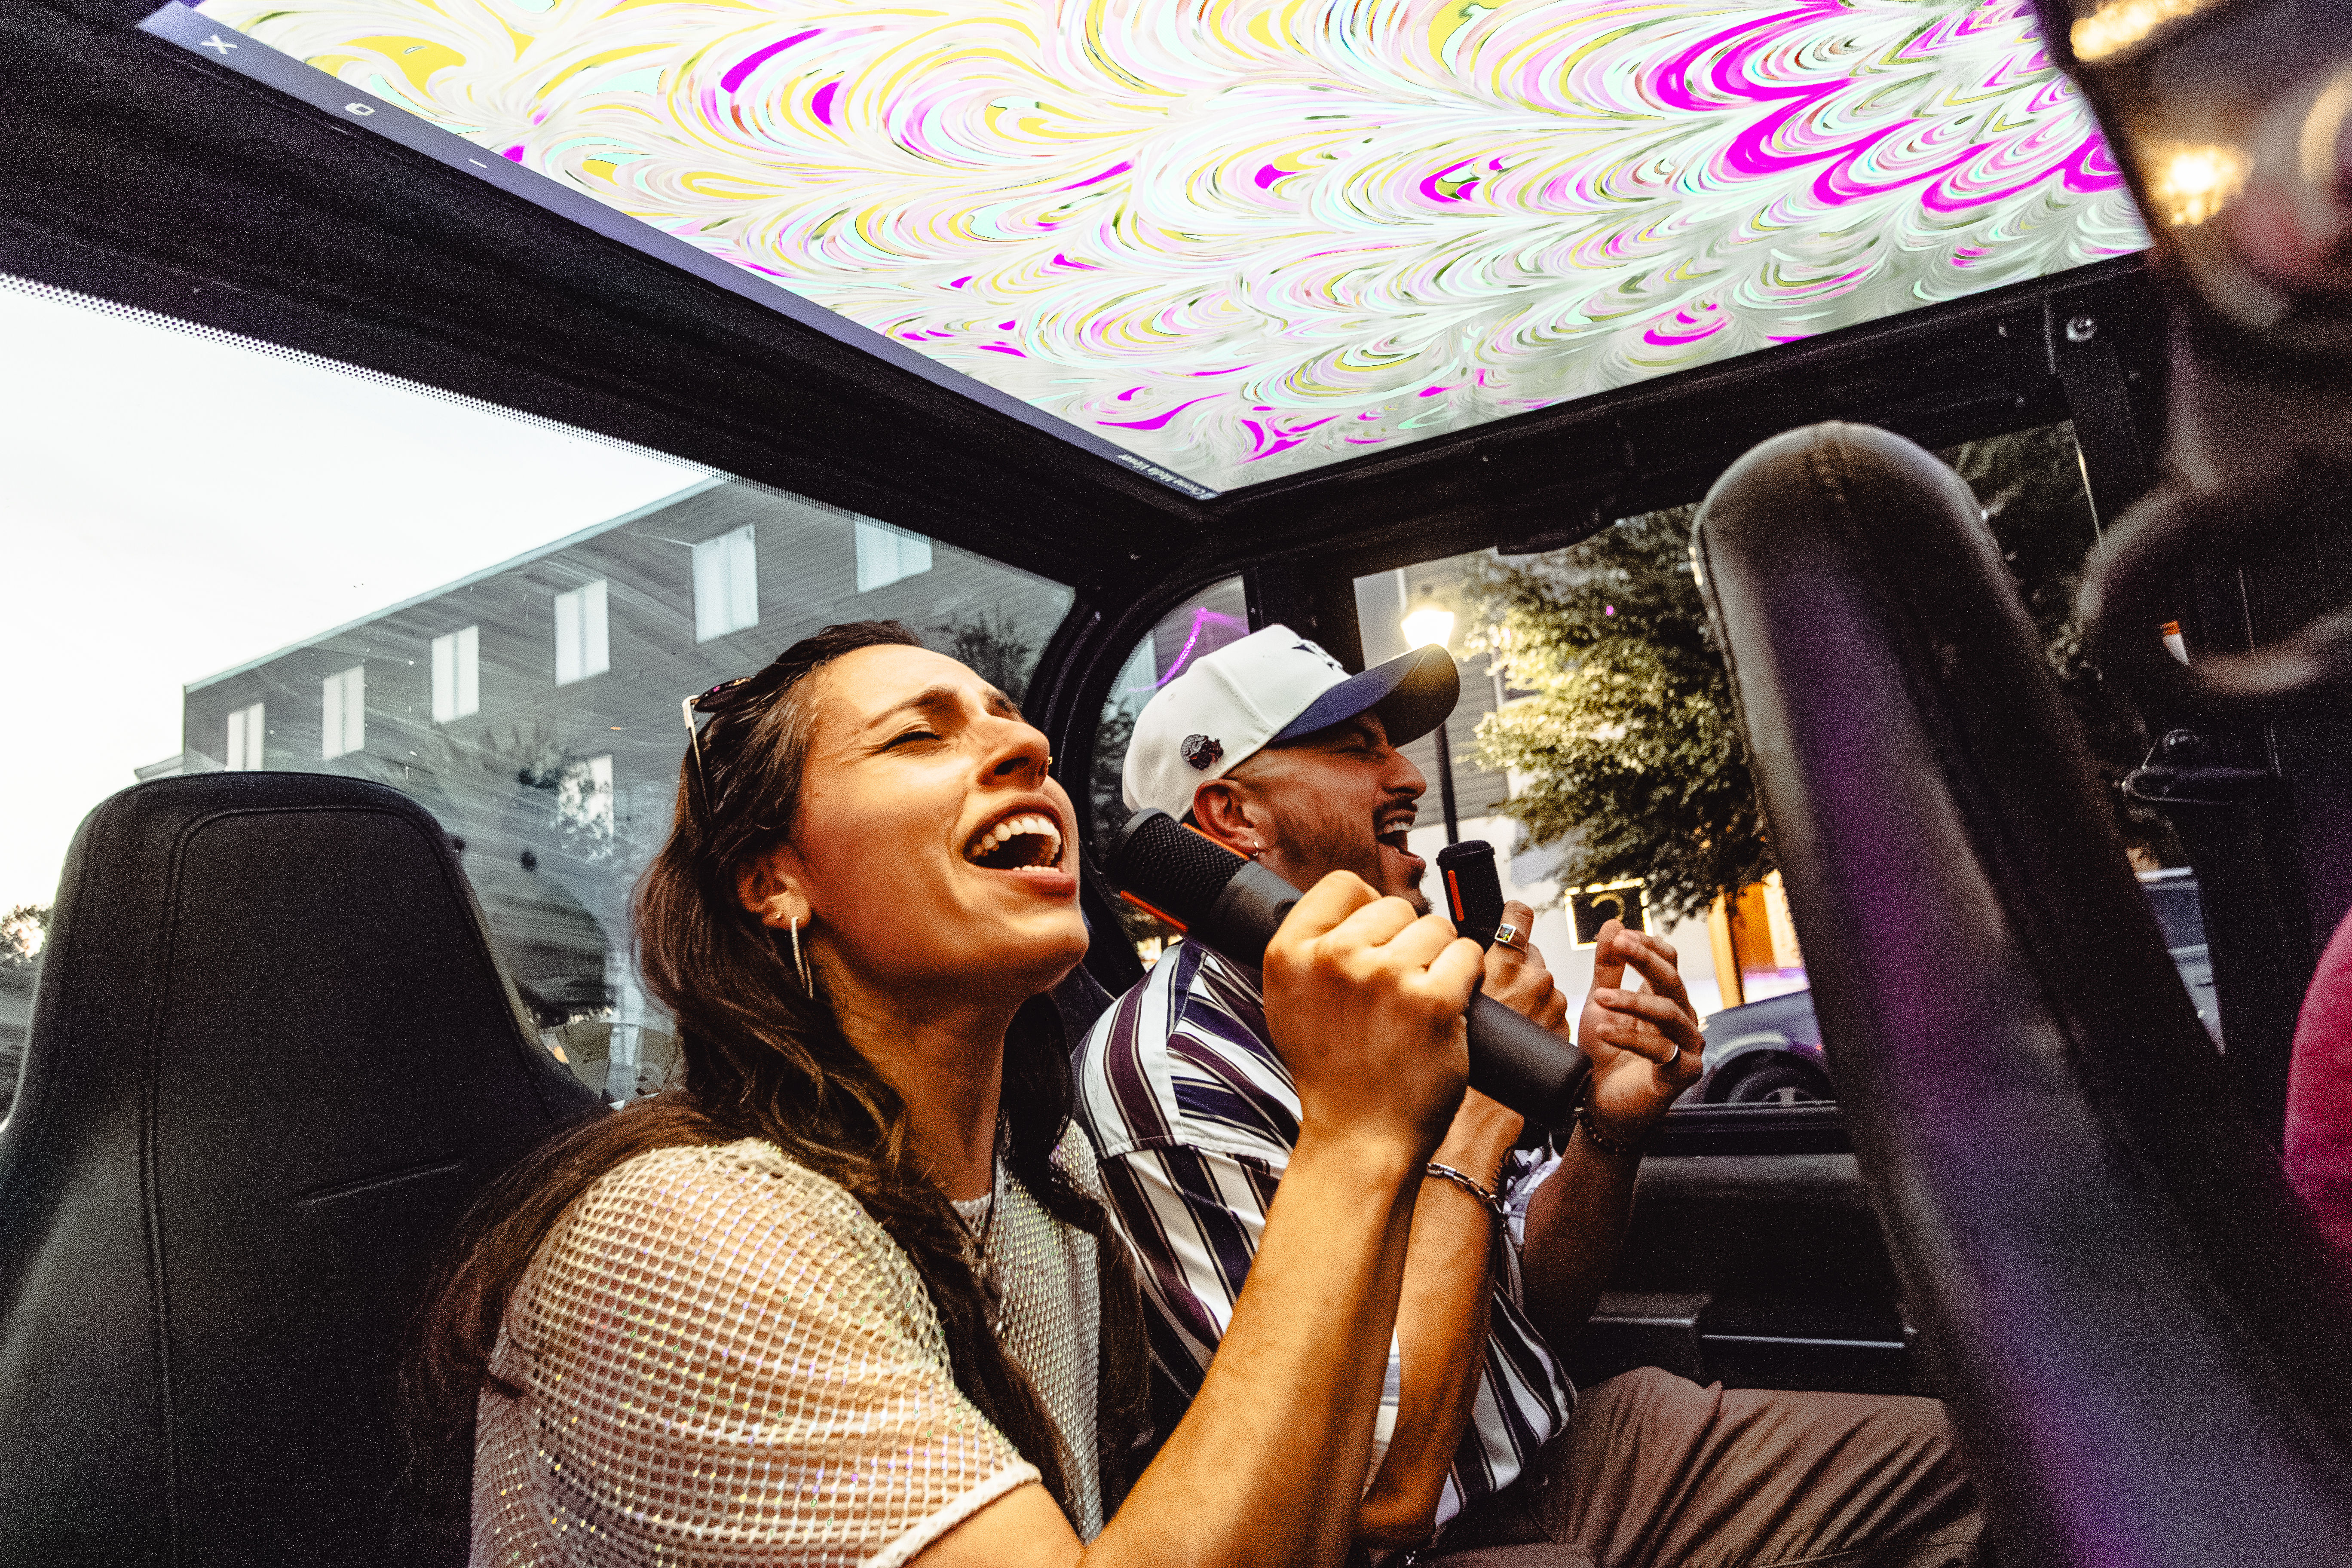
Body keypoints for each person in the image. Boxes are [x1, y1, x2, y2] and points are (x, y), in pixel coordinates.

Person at [407, 620, 1496, 1568]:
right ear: (773, 880)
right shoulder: (682, 1240)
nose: (1028, 746)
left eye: (1017, 726)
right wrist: (1357, 1137)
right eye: (919, 736)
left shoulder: (1047, 1190)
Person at [1075, 625, 1986, 1566]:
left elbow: (1535, 1306)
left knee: (2001, 1472)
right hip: (1431, 1548)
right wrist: (1476, 1115)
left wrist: (1608, 1130)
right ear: (1232, 817)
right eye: (1358, 750)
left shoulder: (1391, 995)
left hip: (1578, 1450)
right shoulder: (1178, 1082)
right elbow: (1385, 1490)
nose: (1412, 778)